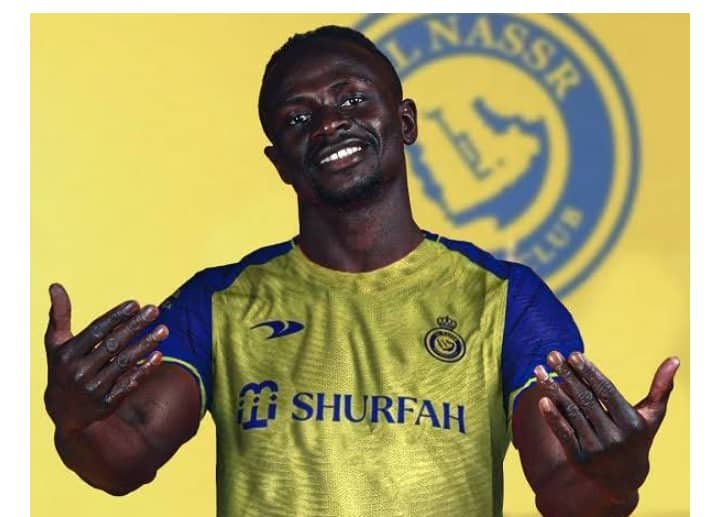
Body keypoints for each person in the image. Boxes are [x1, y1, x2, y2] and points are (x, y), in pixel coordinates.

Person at [43, 25, 679, 516]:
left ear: (404, 122)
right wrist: (73, 419)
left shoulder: (506, 300)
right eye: (298, 118)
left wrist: (619, 476)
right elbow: (123, 461)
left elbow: (569, 494)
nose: (329, 123)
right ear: (279, 161)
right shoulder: (220, 302)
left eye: (351, 98)